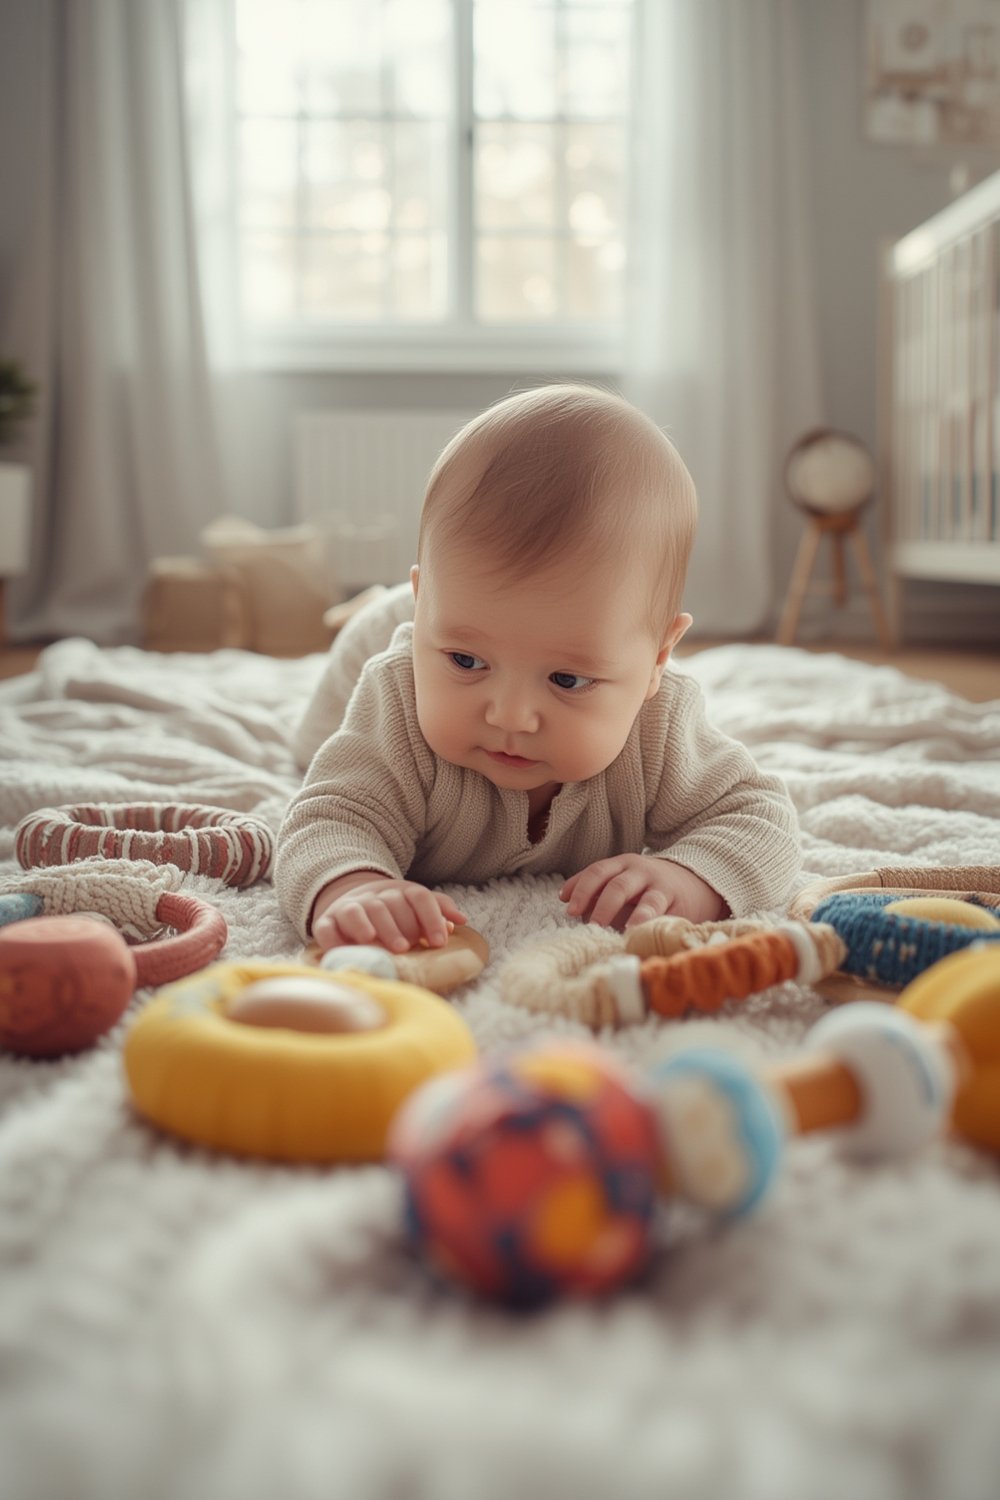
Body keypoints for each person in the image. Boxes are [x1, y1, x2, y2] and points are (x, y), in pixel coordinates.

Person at [275, 383, 800, 954]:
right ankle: (389, 612)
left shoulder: (660, 726)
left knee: (483, 625)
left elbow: (761, 820)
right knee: (314, 744)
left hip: (448, 619)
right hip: (383, 643)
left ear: (656, 661)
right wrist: (353, 886)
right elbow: (327, 816)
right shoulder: (396, 697)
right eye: (467, 661)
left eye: (567, 680)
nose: (511, 716)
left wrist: (690, 878)